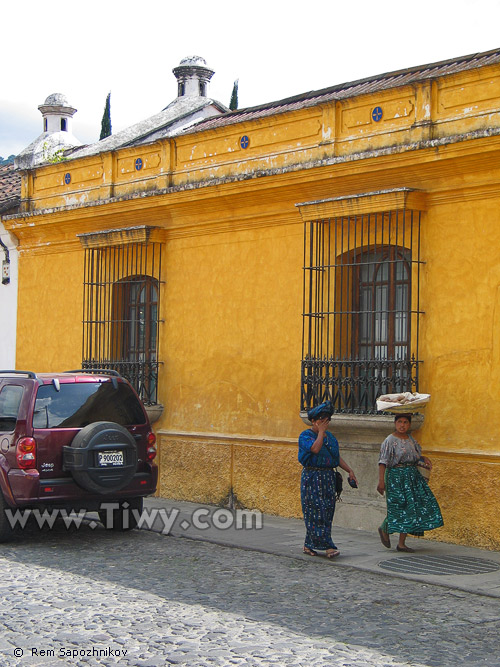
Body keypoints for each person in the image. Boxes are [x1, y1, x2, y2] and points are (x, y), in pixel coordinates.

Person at [299, 401, 358, 558]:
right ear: (313, 421)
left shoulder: (330, 438)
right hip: (312, 477)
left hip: (328, 478)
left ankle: (308, 545)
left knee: (327, 511)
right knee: (315, 511)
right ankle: (328, 547)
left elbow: (336, 457)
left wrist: (349, 470)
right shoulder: (305, 436)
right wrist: (320, 433)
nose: (325, 423)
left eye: (327, 420)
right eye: (321, 420)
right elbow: (315, 449)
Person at [377, 413, 443, 552]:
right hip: (396, 476)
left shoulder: (411, 439)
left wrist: (423, 458)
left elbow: (414, 456)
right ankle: (385, 529)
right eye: (400, 422)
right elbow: (383, 462)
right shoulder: (389, 440)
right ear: (395, 423)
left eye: (405, 422)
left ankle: (401, 543)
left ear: (409, 424)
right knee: (399, 506)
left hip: (411, 476)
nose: (402, 425)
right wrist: (381, 481)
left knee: (411, 507)